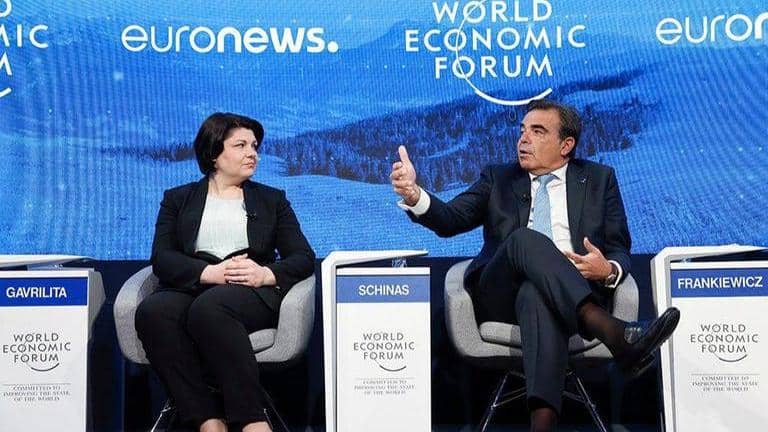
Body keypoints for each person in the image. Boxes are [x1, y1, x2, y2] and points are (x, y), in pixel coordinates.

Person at [390, 100, 679, 431]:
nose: (523, 139)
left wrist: (608, 270)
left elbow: (618, 247)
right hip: (500, 295)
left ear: (566, 145)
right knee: (523, 239)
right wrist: (415, 195)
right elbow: (451, 219)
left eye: (538, 131)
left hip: (565, 297)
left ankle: (542, 425)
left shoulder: (599, 179)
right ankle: (608, 329)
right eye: (522, 130)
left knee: (535, 293)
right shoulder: (498, 178)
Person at [135, 112, 315, 432]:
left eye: (255, 146)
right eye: (241, 145)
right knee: (154, 311)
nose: (252, 153)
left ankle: (251, 420)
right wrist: (209, 273)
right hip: (195, 285)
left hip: (249, 291)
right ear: (214, 153)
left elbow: (302, 257)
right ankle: (207, 420)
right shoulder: (178, 199)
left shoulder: (272, 200)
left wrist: (265, 274)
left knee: (211, 308)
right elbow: (162, 258)